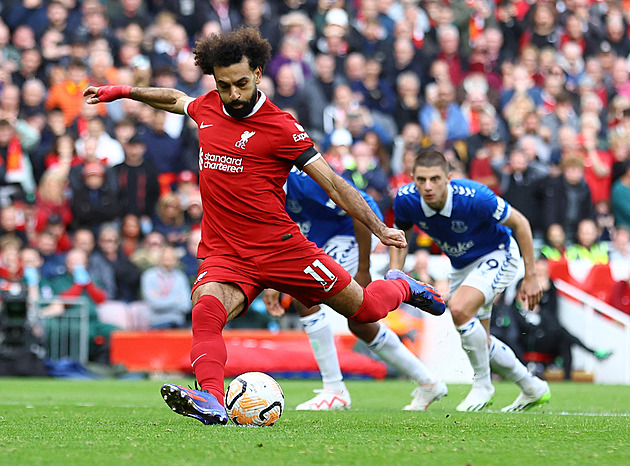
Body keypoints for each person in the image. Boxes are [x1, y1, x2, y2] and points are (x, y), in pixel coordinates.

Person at [84, 27, 444, 425]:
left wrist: (379, 228)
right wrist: (122, 91)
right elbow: (175, 99)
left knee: (368, 311)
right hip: (226, 253)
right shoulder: (208, 108)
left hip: (284, 250)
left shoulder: (281, 127)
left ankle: (403, 285)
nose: (234, 95)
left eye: (241, 83)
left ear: (257, 73)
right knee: (205, 311)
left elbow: (335, 184)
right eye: (224, 86)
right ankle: (212, 400)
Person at [264, 168, 447, 411]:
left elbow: (363, 205)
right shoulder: (261, 190)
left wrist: (364, 268)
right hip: (319, 240)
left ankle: (334, 389)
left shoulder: (304, 181)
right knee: (359, 321)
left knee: (304, 296)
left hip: (350, 232)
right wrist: (272, 282)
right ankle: (429, 382)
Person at [390, 149, 550, 413]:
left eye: (435, 179)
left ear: (448, 178)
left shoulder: (476, 197)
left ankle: (483, 386)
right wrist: (395, 275)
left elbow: (521, 223)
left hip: (499, 253)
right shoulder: (406, 200)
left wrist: (530, 276)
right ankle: (532, 387)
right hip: (461, 265)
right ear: (412, 178)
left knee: (460, 309)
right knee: (480, 340)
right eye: (421, 179)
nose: (428, 186)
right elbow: (401, 233)